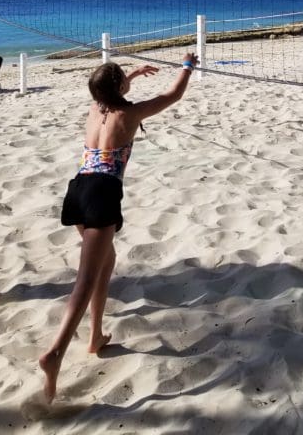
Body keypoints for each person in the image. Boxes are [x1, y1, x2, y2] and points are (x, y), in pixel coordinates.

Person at [39, 52, 198, 403]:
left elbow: (110, 88)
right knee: (86, 278)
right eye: (124, 80)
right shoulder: (130, 113)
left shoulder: (96, 109)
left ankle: (95, 336)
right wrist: (187, 66)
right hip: (101, 193)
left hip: (77, 189)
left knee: (105, 265)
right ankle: (55, 353)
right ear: (118, 89)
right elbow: (173, 96)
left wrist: (135, 74)